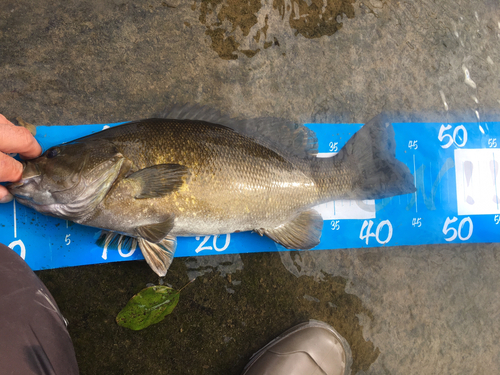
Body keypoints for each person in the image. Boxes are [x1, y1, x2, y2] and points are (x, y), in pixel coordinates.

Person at [0, 114, 350, 375]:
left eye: (56, 154)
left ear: (109, 159)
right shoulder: (110, 176)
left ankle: (350, 177)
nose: (45, 161)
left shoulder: (125, 172)